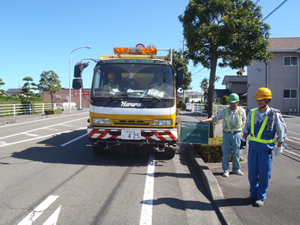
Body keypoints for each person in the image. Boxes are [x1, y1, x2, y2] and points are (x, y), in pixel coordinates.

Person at [242, 87, 287, 207]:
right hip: (253, 148)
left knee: (264, 174)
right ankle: (253, 194)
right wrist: (243, 143)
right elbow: (246, 128)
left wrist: (280, 146)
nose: (259, 101)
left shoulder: (274, 114)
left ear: (267, 100)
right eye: (257, 99)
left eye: (261, 99)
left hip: (265, 149)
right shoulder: (252, 112)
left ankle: (261, 196)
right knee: (252, 173)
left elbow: (281, 131)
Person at [200, 93, 246, 177]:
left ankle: (236, 169)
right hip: (227, 134)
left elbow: (244, 121)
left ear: (238, 102)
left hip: (237, 134)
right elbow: (215, 118)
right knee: (226, 153)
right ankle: (226, 170)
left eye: (234, 102)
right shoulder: (225, 111)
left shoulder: (242, 110)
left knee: (237, 152)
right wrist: (205, 120)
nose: (232, 104)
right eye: (231, 102)